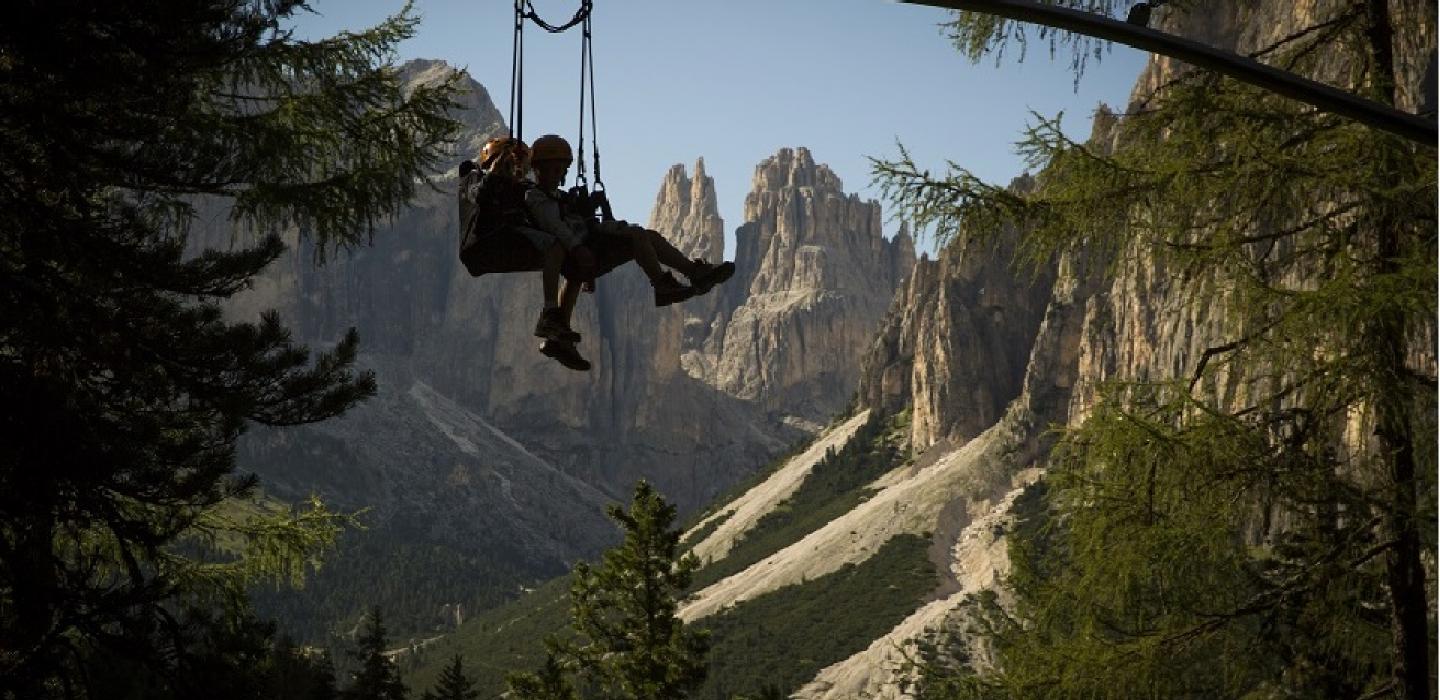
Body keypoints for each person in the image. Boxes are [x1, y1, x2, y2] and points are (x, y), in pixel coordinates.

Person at [524, 134, 735, 371]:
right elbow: (555, 226)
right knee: (637, 237)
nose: (556, 175)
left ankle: (692, 271)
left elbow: (578, 226)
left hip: (586, 247)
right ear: (537, 170)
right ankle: (663, 284)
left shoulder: (560, 198)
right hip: (578, 249)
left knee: (648, 236)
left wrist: (596, 219)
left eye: (560, 170)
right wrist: (578, 248)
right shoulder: (536, 197)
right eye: (551, 170)